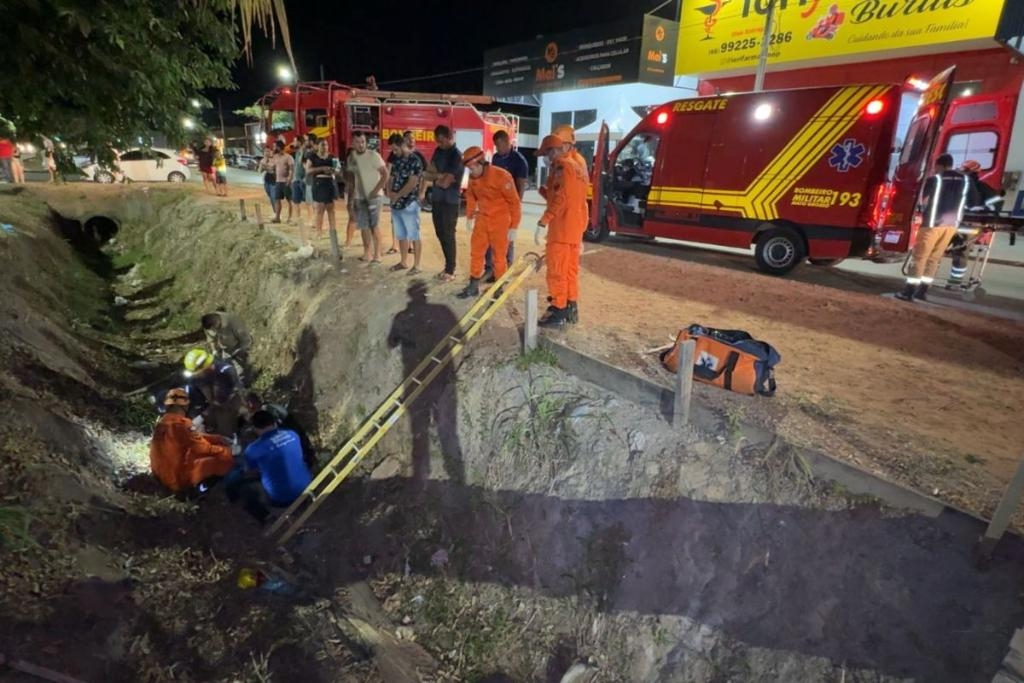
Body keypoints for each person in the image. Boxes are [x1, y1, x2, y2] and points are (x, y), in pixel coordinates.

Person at [895, 154, 968, 302]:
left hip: (932, 225)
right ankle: (922, 292)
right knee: (934, 259)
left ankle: (908, 292)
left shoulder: (936, 179)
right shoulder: (964, 180)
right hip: (951, 226)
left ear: (939, 165)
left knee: (920, 257)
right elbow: (973, 200)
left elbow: (920, 197)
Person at [535, 133, 589, 327]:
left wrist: (543, 221)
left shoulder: (562, 166)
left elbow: (561, 199)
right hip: (574, 231)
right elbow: (579, 201)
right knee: (570, 272)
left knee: (557, 271)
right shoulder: (578, 166)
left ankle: (558, 309)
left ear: (555, 150)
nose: (547, 157)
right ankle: (570, 305)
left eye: (547, 153)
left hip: (561, 230)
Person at [226, 410, 312, 523]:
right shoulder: (292, 434)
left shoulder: (253, 449)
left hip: (282, 498)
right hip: (308, 486)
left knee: (245, 489)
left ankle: (265, 517)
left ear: (255, 428)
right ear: (274, 422)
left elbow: (249, 471)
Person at [458, 146, 521, 299]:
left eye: (472, 167)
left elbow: (514, 202)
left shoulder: (502, 176)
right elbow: (472, 197)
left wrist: (514, 226)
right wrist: (470, 216)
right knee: (476, 252)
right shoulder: (473, 179)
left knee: (499, 257)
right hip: (483, 219)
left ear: (481, 163)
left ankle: (499, 288)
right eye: (468, 168)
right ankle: (473, 285)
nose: (470, 171)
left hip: (500, 221)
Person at [149, 387, 234, 493]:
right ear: (184, 405)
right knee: (224, 457)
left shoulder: (162, 422)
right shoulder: (183, 423)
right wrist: (227, 450)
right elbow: (202, 448)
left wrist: (217, 438)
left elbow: (190, 437)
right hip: (175, 479)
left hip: (160, 473)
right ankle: (201, 489)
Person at [483, 130, 529, 281]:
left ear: (506, 142)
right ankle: (491, 270)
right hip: (495, 206)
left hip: (509, 207)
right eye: (495, 146)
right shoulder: (496, 158)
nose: (497, 149)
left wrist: (516, 208)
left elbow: (521, 186)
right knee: (491, 239)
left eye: (498, 145)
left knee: (507, 240)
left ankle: (505, 273)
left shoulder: (519, 161)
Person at [424, 125, 463, 282]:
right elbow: (427, 173)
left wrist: (437, 176)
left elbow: (446, 182)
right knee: (440, 233)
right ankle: (448, 266)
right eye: (437, 141)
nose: (439, 144)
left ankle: (450, 269)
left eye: (441, 141)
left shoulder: (456, 155)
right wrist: (440, 176)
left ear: (449, 137)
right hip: (438, 199)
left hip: (450, 201)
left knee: (448, 234)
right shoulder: (438, 151)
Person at [244, 393, 316, 471]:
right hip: (293, 433)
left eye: (251, 403)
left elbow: (276, 427)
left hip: (291, 432)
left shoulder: (266, 409)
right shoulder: (268, 407)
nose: (250, 407)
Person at [345, 131, 388, 263]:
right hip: (359, 197)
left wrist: (375, 191)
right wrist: (350, 199)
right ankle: (367, 254)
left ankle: (378, 255)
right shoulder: (351, 158)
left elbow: (385, 175)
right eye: (358, 142)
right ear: (353, 143)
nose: (361, 145)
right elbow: (351, 180)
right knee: (364, 226)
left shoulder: (374, 155)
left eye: (363, 142)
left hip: (374, 197)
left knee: (374, 225)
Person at [386, 133, 425, 274]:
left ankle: (417, 265)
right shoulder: (396, 160)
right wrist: (389, 191)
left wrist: (397, 195)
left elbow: (413, 182)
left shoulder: (415, 160)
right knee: (401, 234)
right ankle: (403, 262)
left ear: (403, 145)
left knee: (414, 234)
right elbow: (390, 176)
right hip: (396, 203)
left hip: (409, 203)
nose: (394, 152)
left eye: (396, 149)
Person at [184, 348, 244, 438]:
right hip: (213, 401)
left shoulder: (225, 372)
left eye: (196, 372)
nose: (195, 375)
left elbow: (220, 400)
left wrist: (202, 416)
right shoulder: (199, 376)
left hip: (230, 398)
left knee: (224, 418)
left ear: (205, 367)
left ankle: (231, 436)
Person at [305, 139, 341, 257]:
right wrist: (321, 169)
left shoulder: (332, 157)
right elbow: (308, 170)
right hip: (319, 183)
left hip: (330, 183)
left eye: (326, 144)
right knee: (319, 209)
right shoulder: (313, 157)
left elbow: (338, 170)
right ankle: (318, 232)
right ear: (318, 146)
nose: (324, 147)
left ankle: (332, 231)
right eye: (322, 145)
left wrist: (332, 170)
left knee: (331, 209)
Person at [201, 311, 252, 383]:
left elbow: (246, 340)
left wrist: (237, 351)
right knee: (227, 371)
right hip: (225, 349)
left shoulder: (233, 321)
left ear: (216, 322)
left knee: (242, 371)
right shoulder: (209, 324)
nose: (213, 331)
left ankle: (246, 383)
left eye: (213, 328)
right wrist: (214, 351)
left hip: (238, 347)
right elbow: (211, 338)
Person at [270, 139, 295, 224]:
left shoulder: (289, 157)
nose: (273, 148)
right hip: (278, 182)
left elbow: (292, 169)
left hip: (286, 182)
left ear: (279, 147)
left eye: (275, 146)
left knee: (289, 200)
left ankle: (290, 218)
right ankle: (277, 217)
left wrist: (289, 179)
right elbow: (272, 168)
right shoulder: (275, 157)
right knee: (277, 199)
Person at [291, 139, 309, 228]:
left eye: (294, 141)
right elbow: (296, 166)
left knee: (308, 201)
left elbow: (306, 166)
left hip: (304, 180)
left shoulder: (306, 153)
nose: (293, 142)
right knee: (295, 201)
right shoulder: (297, 153)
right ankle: (298, 219)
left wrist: (306, 177)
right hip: (296, 180)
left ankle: (311, 220)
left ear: (299, 142)